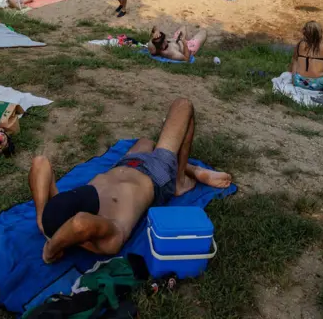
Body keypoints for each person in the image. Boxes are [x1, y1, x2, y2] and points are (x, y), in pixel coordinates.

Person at [29, 98, 231, 264]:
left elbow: (40, 163)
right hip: (157, 174)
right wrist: (50, 250)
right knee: (183, 106)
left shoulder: (53, 219)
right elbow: (80, 223)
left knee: (146, 142)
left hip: (126, 163)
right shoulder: (109, 237)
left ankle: (189, 168)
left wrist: (41, 218)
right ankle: (181, 179)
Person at [289, 21, 323, 89]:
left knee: (295, 60)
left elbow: (293, 62)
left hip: (299, 82)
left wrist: (291, 75)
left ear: (305, 32)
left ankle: (293, 79)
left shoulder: (299, 44)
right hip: (320, 85)